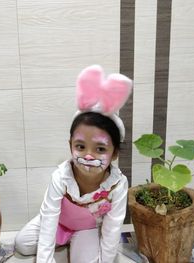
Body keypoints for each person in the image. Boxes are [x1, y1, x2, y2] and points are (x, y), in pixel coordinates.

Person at [15, 65, 132, 263]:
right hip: (59, 222)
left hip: (86, 229)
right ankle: (64, 239)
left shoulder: (117, 185)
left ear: (114, 154)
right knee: (22, 244)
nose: (88, 156)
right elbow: (50, 216)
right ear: (70, 145)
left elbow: (112, 229)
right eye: (80, 146)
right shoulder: (61, 176)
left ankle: (78, 242)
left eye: (100, 149)